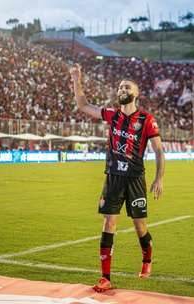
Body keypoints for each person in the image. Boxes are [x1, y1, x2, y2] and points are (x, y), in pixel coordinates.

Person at [70, 64, 165, 292]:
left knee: (139, 225)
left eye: (127, 87)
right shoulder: (112, 115)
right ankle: (105, 277)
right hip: (113, 177)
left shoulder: (147, 120)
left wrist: (159, 178)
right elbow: (82, 105)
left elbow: (159, 151)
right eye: (120, 87)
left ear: (136, 93)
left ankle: (147, 259)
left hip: (134, 179)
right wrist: (76, 78)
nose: (121, 89)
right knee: (109, 222)